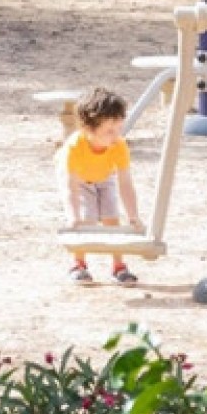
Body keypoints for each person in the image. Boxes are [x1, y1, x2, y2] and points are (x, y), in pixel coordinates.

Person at [58, 87, 142, 285]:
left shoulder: (118, 146)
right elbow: (69, 186)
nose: (116, 136)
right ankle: (78, 264)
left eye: (119, 129)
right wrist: (73, 216)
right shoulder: (73, 148)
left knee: (111, 219)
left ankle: (119, 266)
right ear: (88, 129)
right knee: (85, 221)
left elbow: (126, 183)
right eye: (109, 131)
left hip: (105, 177)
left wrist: (133, 216)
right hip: (80, 180)